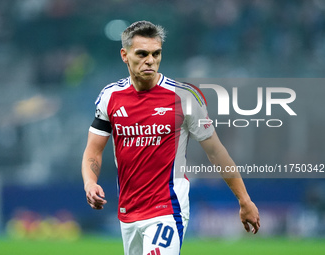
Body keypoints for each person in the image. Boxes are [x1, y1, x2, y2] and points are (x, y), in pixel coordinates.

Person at [82, 20, 260, 255]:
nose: (150, 60)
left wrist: (244, 200)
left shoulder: (183, 97)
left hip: (167, 208)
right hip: (128, 212)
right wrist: (90, 182)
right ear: (124, 55)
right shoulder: (110, 97)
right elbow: (93, 150)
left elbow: (216, 152)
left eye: (156, 54)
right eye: (142, 54)